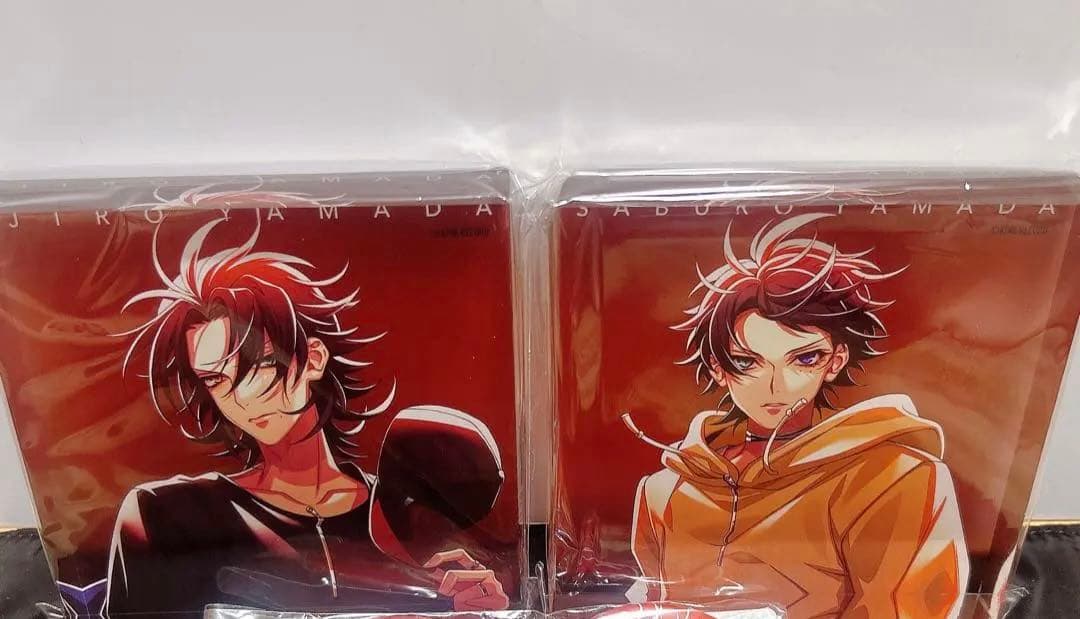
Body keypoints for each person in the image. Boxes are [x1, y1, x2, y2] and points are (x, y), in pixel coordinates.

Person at [107, 212, 508, 615]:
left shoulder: (404, 516)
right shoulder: (168, 515)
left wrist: (479, 611)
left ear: (313, 359)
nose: (241, 396)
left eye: (258, 365)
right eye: (216, 379)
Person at [627, 213, 969, 619]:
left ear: (835, 361)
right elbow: (651, 603)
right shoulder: (665, 490)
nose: (777, 386)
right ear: (718, 369)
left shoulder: (894, 478)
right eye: (746, 362)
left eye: (804, 359)